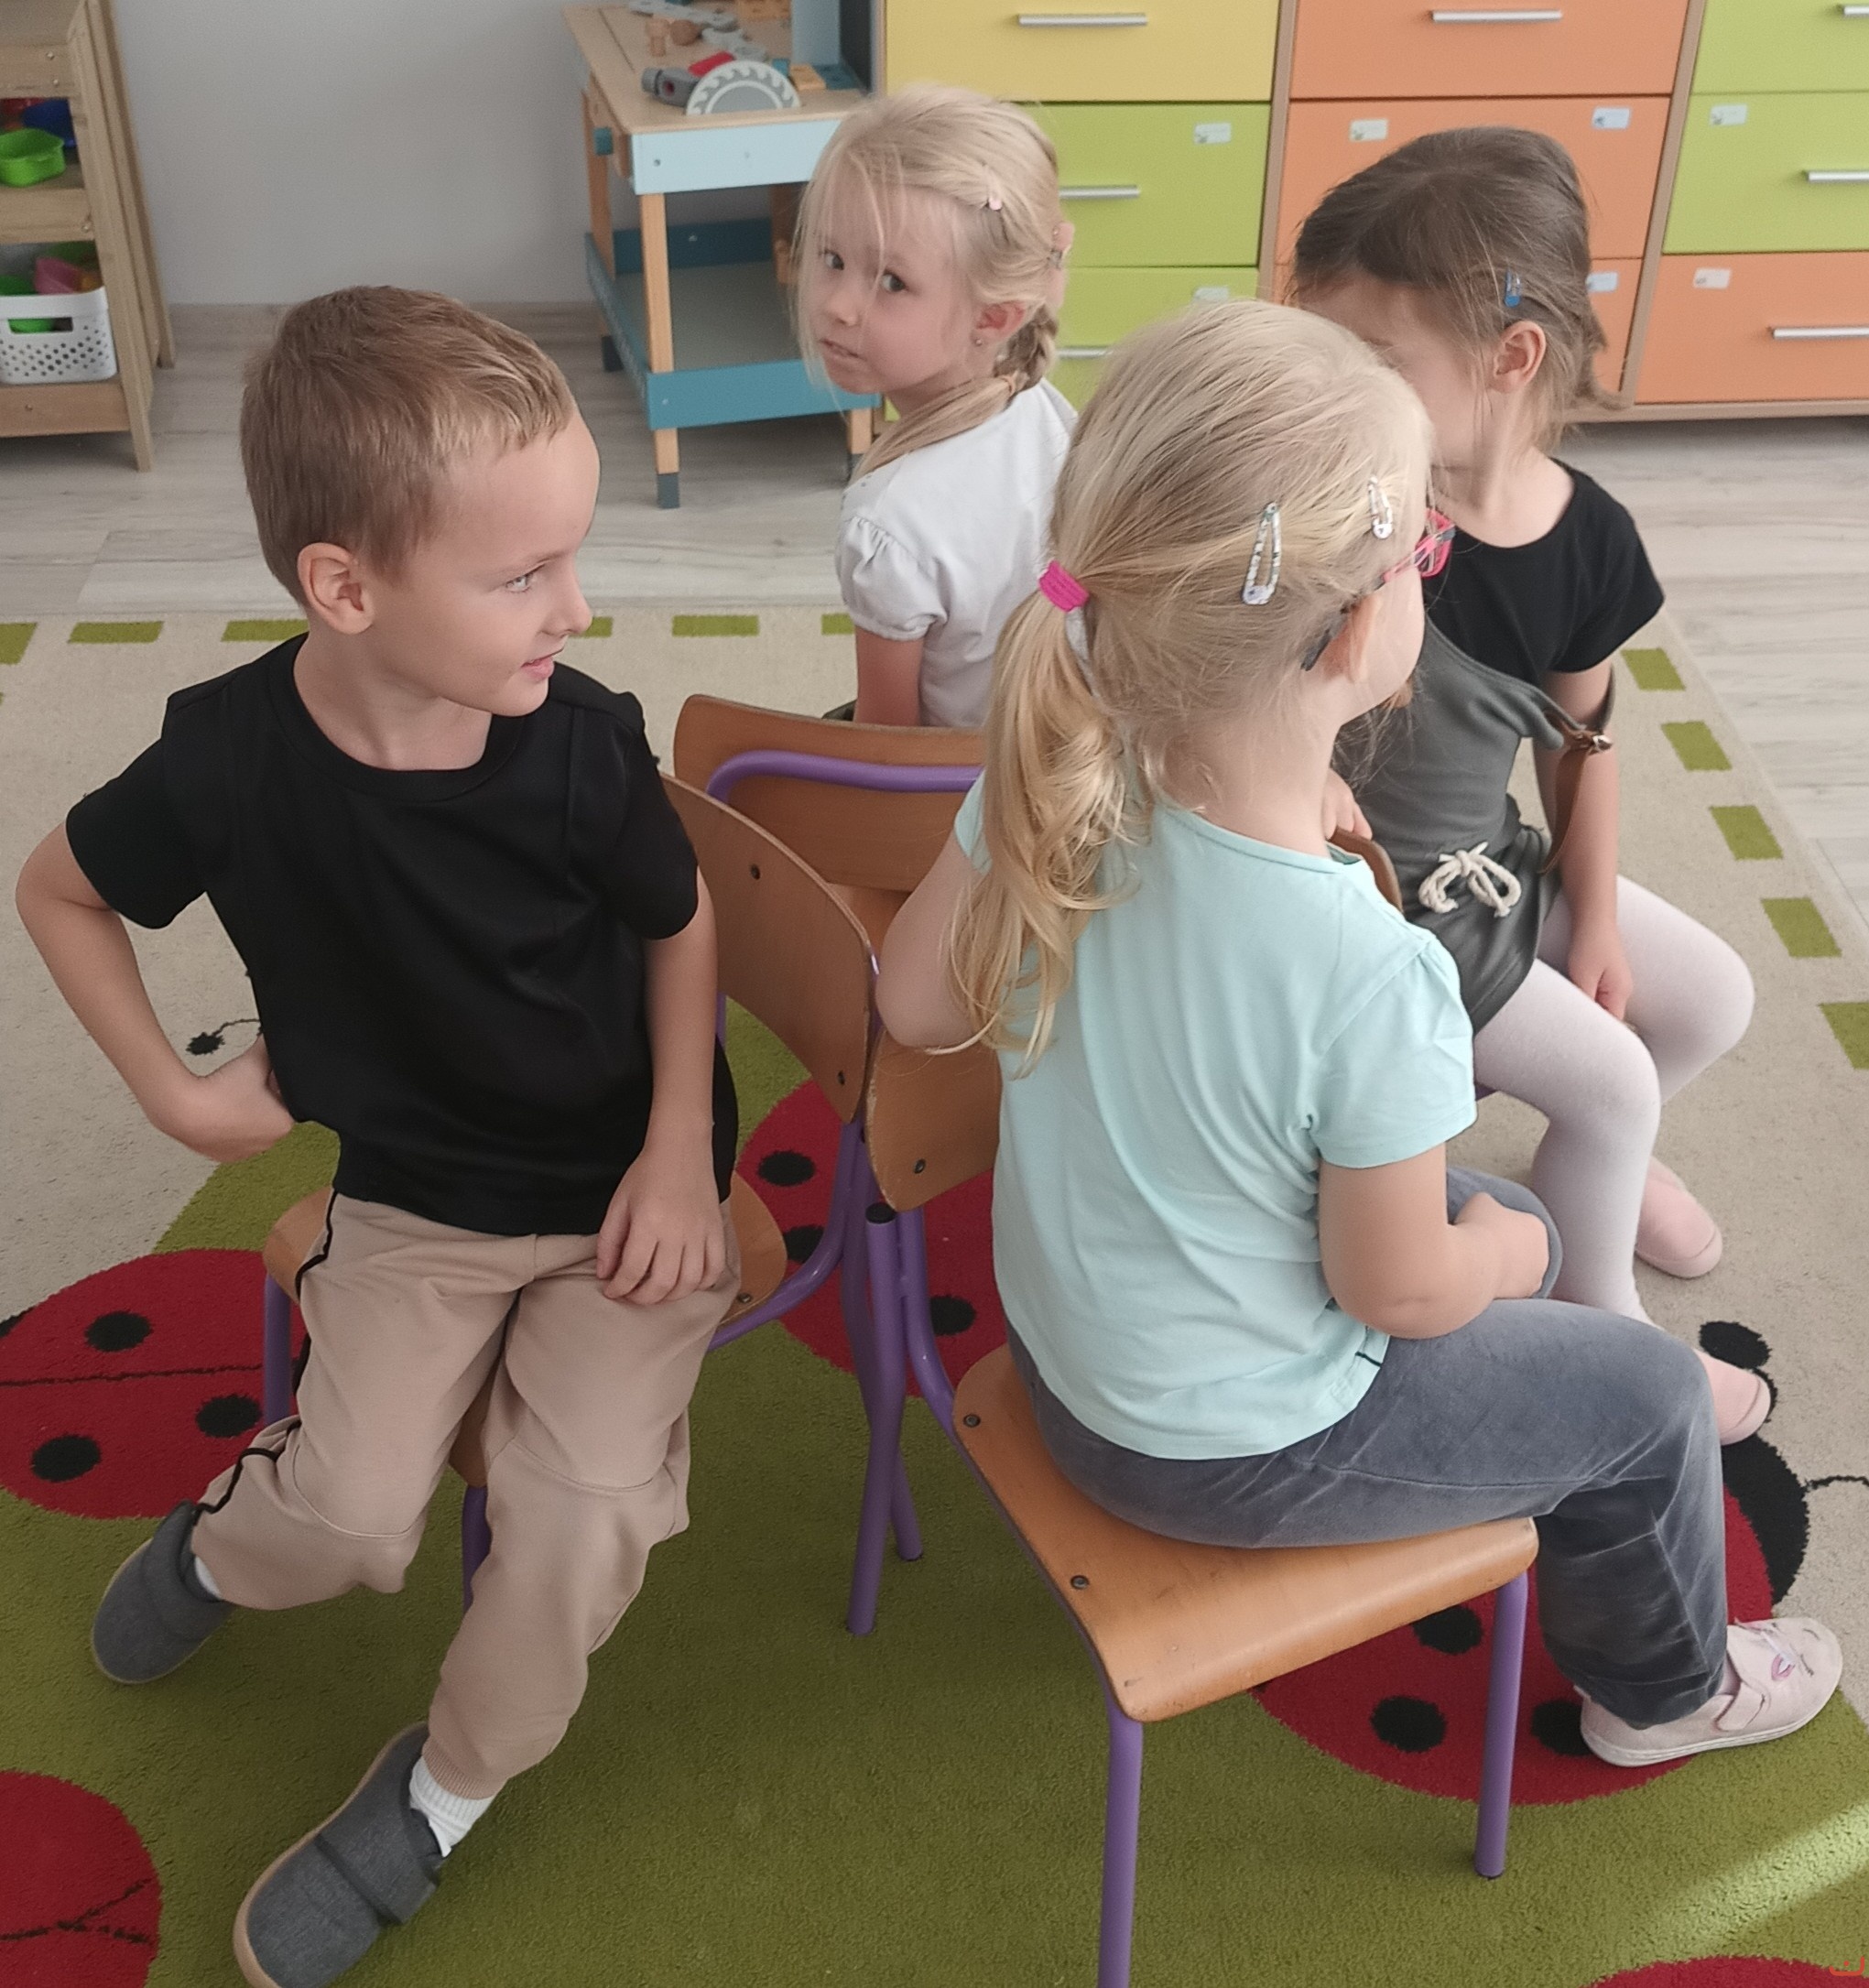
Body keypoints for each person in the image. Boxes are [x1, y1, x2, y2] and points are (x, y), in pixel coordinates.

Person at [875, 299, 1840, 1768]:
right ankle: (1663, 1691)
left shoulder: (1052, 784)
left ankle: (1535, 1331)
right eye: (1423, 550)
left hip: (1068, 1365)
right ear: (1348, 629)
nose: (1432, 567)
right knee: (1635, 1382)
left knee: (1518, 1213)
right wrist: (1500, 1261)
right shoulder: (1375, 972)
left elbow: (914, 1002)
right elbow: (1395, 1288)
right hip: (1228, 1449)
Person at [15, 288, 743, 1988]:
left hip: (624, 1201)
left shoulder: (580, 742)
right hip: (417, 1196)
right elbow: (57, 889)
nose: (577, 606)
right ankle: (215, 1546)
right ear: (343, 588)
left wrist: (676, 1145)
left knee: (579, 1519)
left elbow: (681, 921)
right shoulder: (225, 761)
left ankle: (441, 1792)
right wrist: (175, 1092)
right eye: (522, 575)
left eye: (572, 558)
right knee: (347, 1522)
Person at [1289, 129, 1765, 1440]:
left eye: (1374, 361)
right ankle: (1605, 1322)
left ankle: (1591, 1172)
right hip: (1369, 906)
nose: (1336, 391)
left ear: (1510, 357)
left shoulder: (1588, 536)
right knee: (1611, 1077)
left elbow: (1581, 740)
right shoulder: (1345, 505)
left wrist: (1593, 913)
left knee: (1708, 998)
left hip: (1486, 865)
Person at [797, 81, 1075, 727]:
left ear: (994, 316)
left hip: (964, 779)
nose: (838, 304)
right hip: (1059, 749)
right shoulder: (1047, 413)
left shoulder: (888, 524)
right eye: (833, 258)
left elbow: (888, 744)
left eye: (892, 281)